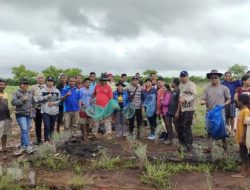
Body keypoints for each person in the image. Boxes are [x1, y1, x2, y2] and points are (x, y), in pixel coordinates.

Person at [201, 70, 231, 153]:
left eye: (215, 77)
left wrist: (224, 104)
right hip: (209, 113)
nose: (214, 79)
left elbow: (229, 99)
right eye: (212, 78)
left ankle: (225, 150)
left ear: (218, 78)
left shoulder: (224, 88)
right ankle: (210, 148)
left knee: (222, 132)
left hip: (220, 114)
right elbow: (203, 99)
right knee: (209, 132)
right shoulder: (206, 88)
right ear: (210, 79)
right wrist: (203, 102)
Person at [175, 71, 197, 152]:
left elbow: (195, 95)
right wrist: (177, 111)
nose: (183, 77)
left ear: (187, 76)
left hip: (189, 108)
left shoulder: (191, 84)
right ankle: (182, 143)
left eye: (184, 76)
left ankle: (189, 145)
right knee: (180, 126)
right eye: (181, 76)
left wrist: (186, 99)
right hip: (182, 109)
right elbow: (179, 99)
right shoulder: (180, 85)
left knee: (186, 126)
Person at [12, 78, 35, 154]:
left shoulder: (30, 92)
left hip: (29, 114)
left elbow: (32, 101)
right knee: (25, 130)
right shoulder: (16, 93)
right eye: (23, 84)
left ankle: (23, 146)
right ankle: (28, 146)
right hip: (20, 114)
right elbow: (13, 102)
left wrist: (33, 107)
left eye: (27, 84)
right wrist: (22, 99)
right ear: (20, 85)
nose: (25, 85)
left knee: (25, 130)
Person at [231, 94, 250, 178]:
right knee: (244, 154)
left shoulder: (246, 111)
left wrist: (242, 138)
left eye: (238, 100)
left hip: (244, 138)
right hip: (241, 138)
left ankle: (243, 173)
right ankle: (247, 171)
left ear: (241, 102)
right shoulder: (241, 111)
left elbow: (246, 125)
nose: (237, 102)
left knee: (243, 155)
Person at [38, 77, 61, 142]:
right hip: (45, 111)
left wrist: (53, 103)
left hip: (54, 111)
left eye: (51, 81)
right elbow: (39, 99)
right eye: (49, 81)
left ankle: (51, 139)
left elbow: (60, 100)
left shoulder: (57, 90)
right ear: (46, 82)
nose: (50, 82)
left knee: (52, 126)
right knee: (47, 126)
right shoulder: (42, 90)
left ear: (53, 82)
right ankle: (46, 140)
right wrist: (47, 96)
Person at [32, 73, 46, 145]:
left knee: (46, 124)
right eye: (39, 78)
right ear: (37, 79)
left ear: (44, 79)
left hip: (46, 108)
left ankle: (47, 139)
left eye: (42, 78)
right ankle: (38, 139)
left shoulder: (47, 86)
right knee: (38, 124)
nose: (41, 79)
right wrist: (32, 107)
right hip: (37, 108)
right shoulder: (33, 87)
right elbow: (31, 98)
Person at [0, 78, 11, 151]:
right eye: (0, 84)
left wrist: (9, 117)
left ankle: (3, 147)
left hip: (6, 116)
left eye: (3, 84)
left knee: (5, 133)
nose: (2, 86)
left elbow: (6, 105)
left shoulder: (5, 94)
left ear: (5, 86)